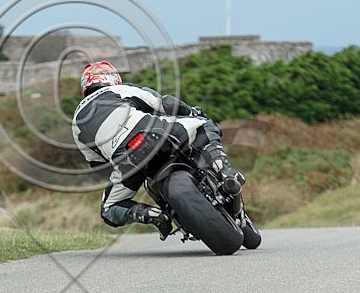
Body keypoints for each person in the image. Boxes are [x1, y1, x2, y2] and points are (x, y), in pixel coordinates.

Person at [71, 61, 244, 240]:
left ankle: (154, 215)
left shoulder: (76, 123)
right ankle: (225, 171)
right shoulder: (119, 90)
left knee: (109, 209)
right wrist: (192, 112)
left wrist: (121, 171)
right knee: (204, 125)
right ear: (114, 78)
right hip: (154, 132)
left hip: (127, 159)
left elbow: (96, 164)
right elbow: (164, 103)